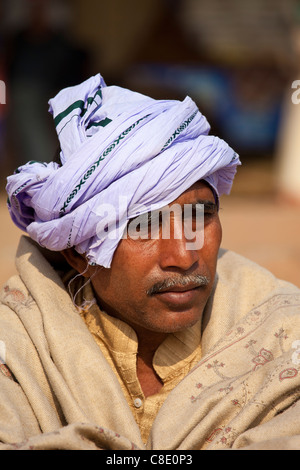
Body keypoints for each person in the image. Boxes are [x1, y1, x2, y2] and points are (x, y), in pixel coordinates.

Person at [2, 73, 300, 451]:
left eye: (200, 217)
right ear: (79, 253)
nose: (184, 257)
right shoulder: (16, 347)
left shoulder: (283, 331)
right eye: (145, 227)